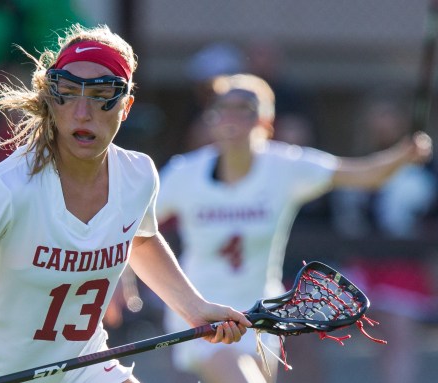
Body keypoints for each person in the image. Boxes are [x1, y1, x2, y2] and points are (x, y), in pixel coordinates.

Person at [0, 23, 251, 383]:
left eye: (101, 95)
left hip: (81, 365)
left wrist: (195, 309)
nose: (82, 113)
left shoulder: (138, 175)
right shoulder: (8, 187)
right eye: (68, 93)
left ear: (126, 106)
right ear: (52, 102)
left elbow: (140, 239)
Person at [156, 74, 432, 383]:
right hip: (204, 315)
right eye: (223, 107)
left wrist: (403, 155)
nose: (232, 116)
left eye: (245, 107)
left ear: (266, 121)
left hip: (261, 316)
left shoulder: (285, 167)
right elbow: (136, 226)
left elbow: (366, 174)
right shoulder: (184, 173)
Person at [329, 95, 437, 383]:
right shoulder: (359, 162)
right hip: (361, 261)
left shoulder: (425, 169)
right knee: (369, 337)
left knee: (399, 335)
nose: (381, 124)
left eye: (387, 116)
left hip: (403, 261)